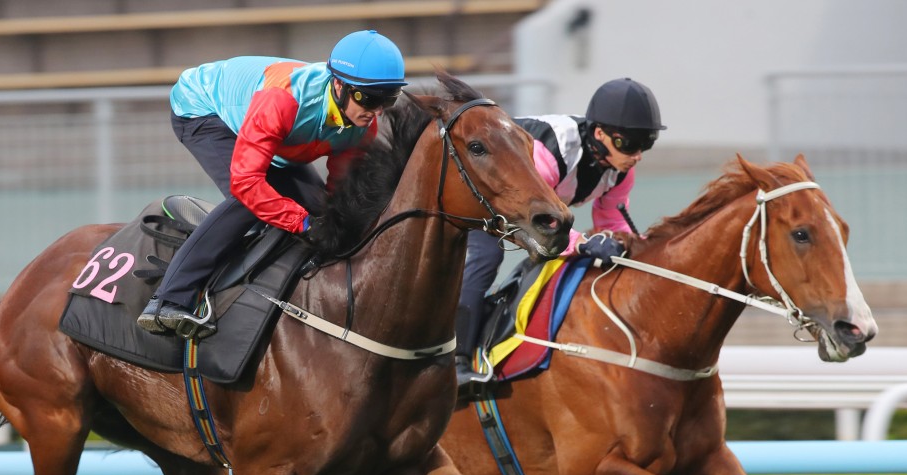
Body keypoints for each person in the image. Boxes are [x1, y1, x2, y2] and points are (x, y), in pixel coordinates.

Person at [138, 30, 407, 338]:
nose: (376, 111)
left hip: (273, 133)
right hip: (205, 113)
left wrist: (330, 223)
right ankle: (168, 300)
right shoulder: (283, 100)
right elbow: (247, 183)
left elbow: (339, 194)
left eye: (388, 99)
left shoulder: (362, 123)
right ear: (338, 84)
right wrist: (302, 223)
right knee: (251, 203)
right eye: (369, 98)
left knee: (319, 209)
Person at [455, 77, 665, 387]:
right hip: (480, 194)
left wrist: (642, 251)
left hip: (528, 209)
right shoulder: (552, 151)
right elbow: (536, 225)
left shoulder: (620, 171)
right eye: (628, 145)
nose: (637, 156)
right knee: (487, 255)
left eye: (645, 145)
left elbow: (611, 222)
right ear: (599, 134)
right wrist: (584, 244)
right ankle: (457, 359)